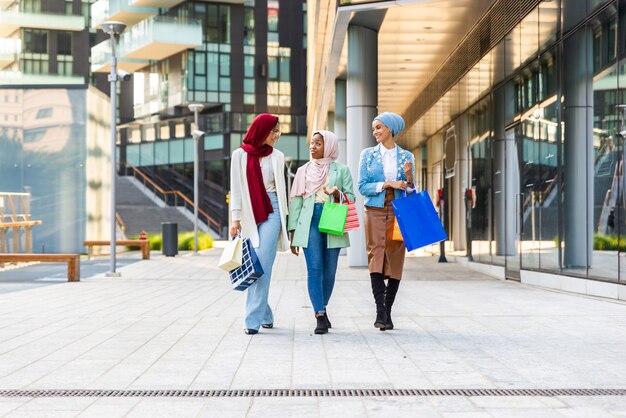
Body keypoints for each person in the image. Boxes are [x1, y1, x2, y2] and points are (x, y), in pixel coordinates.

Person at [288, 130, 355, 334]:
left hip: (332, 217)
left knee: (330, 271)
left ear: (330, 146)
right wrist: (293, 232)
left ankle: (323, 308)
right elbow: (297, 201)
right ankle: (319, 314)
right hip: (309, 221)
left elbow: (351, 197)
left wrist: (337, 193)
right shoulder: (303, 171)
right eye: (312, 143)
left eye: (318, 143)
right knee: (314, 268)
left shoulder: (341, 170)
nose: (313, 146)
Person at [230, 113, 289, 335]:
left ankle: (251, 320)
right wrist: (235, 218)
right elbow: (235, 189)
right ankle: (265, 313)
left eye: (278, 131)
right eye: (274, 131)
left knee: (262, 261)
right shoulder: (239, 155)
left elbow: (281, 191)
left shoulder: (278, 156)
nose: (277, 136)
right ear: (261, 130)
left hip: (272, 209)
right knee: (256, 264)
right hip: (248, 212)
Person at [358, 112, 415, 331]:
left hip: (399, 210)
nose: (375, 132)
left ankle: (388, 311)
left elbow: (411, 191)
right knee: (375, 254)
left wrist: (408, 179)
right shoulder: (367, 155)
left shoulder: (407, 156)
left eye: (379, 128)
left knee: (395, 255)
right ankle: (379, 311)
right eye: (374, 129)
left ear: (390, 128)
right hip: (374, 208)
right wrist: (386, 183)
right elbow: (362, 186)